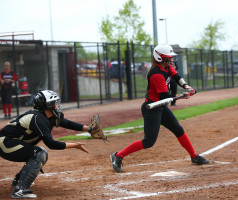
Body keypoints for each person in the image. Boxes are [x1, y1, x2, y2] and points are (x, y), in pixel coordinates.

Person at [110, 44, 209, 173]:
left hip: (160, 106)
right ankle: (117, 156)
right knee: (149, 141)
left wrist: (186, 87)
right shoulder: (156, 74)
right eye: (168, 57)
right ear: (160, 58)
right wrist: (182, 97)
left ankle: (194, 156)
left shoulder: (167, 67)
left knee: (178, 130)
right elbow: (165, 97)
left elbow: (176, 77)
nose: (171, 60)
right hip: (152, 108)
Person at [0, 90, 90, 199]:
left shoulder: (48, 116)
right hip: (5, 143)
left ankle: (18, 181)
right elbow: (51, 144)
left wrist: (88, 129)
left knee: (41, 152)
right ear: (48, 105)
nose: (57, 105)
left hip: (11, 142)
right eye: (55, 102)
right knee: (39, 153)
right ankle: (20, 190)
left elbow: (66, 122)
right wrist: (75, 145)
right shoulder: (38, 118)